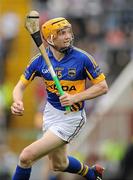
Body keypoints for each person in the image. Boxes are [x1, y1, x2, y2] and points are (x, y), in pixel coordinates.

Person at [11, 17, 108, 180]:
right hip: (50, 113)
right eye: (62, 33)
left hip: (71, 118)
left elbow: (103, 87)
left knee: (26, 156)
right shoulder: (39, 61)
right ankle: (91, 174)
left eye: (68, 32)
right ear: (50, 38)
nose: (68, 36)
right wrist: (17, 101)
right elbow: (19, 86)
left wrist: (74, 98)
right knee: (59, 164)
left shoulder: (83, 58)